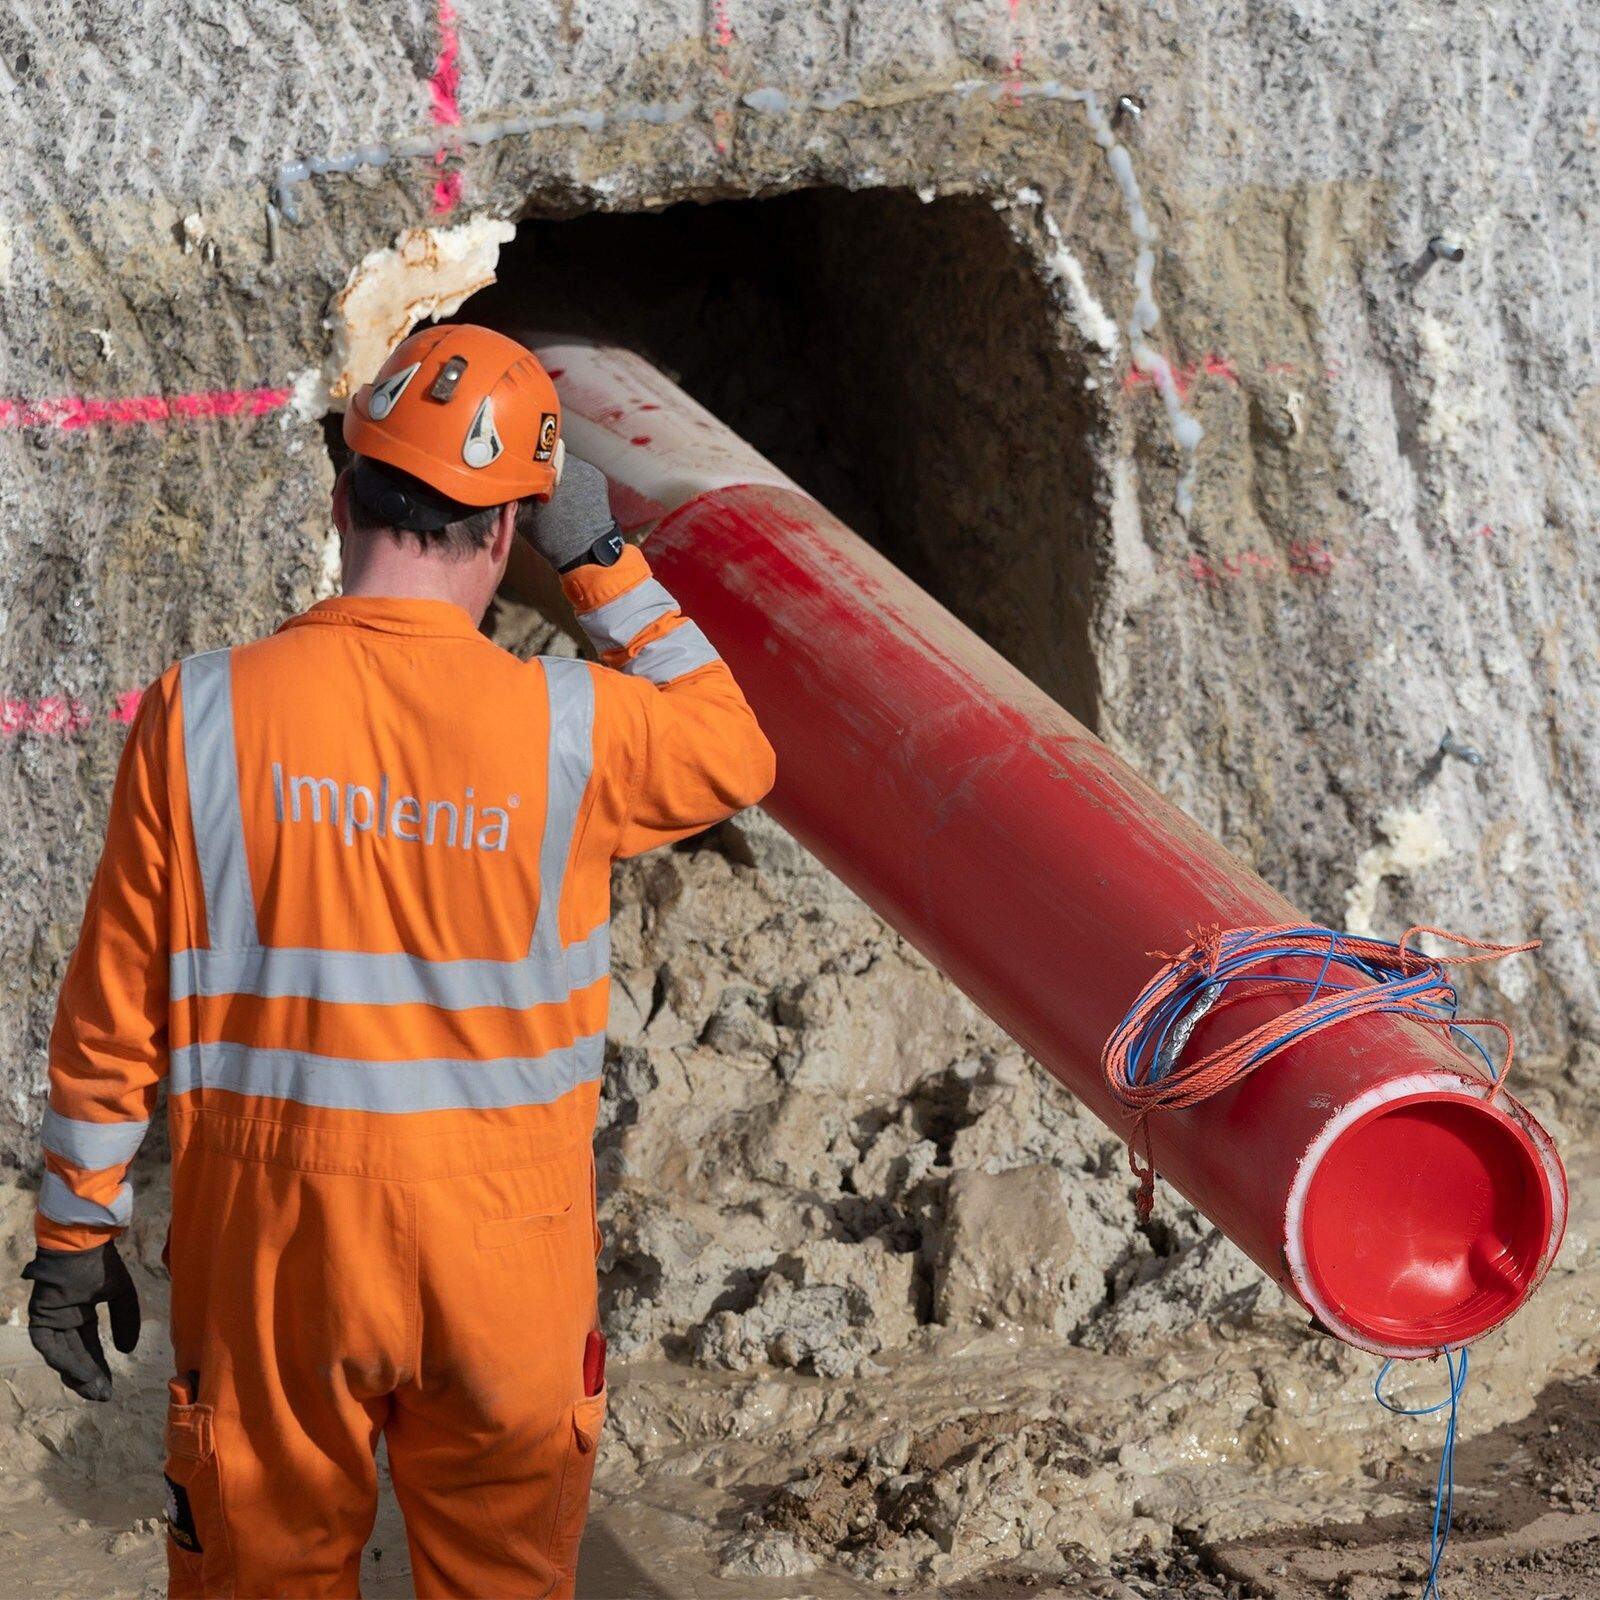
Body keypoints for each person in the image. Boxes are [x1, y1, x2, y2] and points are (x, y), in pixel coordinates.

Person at [20, 324, 776, 1598]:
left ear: (341, 500)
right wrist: (597, 561)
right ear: (502, 536)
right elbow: (735, 749)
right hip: (506, 1256)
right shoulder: (573, 728)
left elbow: (114, 1008)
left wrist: (70, 1228)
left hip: (273, 1250)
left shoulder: (198, 709)